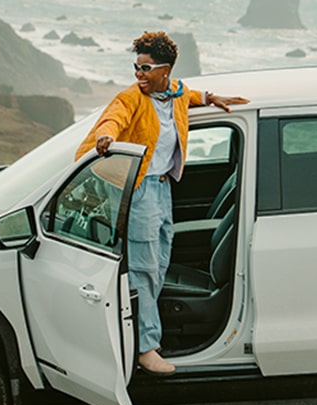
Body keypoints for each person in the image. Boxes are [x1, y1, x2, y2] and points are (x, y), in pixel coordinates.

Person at [75, 31, 248, 376]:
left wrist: (211, 98)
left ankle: (142, 336)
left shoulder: (175, 93)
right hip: (140, 190)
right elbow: (115, 116)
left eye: (145, 68)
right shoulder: (132, 98)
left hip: (163, 187)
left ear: (164, 71)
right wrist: (106, 136)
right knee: (144, 270)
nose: (138, 74)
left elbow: (187, 95)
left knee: (160, 262)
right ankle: (146, 347)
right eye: (136, 67)